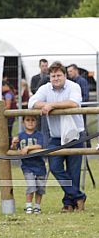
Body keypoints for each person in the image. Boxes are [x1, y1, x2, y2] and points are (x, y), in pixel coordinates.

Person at [29, 61, 86, 212]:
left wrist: (52, 105)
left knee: (74, 171)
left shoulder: (74, 87)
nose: (56, 78)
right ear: (50, 77)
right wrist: (44, 105)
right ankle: (78, 196)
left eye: (59, 75)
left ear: (65, 76)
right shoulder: (45, 88)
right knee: (54, 167)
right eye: (53, 75)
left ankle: (68, 204)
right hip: (56, 136)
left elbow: (74, 103)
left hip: (75, 135)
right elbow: (32, 102)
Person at [11, 115, 46, 214]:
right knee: (31, 185)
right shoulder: (20, 136)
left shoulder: (39, 135)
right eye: (27, 120)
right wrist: (14, 143)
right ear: (23, 122)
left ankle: (37, 206)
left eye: (33, 120)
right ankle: (29, 205)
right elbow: (14, 149)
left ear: (36, 122)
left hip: (40, 166)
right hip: (27, 166)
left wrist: (27, 148)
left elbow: (40, 145)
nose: (30, 122)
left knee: (40, 188)